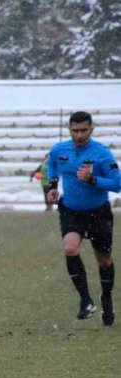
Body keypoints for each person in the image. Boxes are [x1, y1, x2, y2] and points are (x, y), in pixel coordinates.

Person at [45, 110, 120, 326]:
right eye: (75, 130)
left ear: (91, 129)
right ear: (69, 130)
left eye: (84, 130)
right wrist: (52, 187)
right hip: (71, 210)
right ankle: (86, 300)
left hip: (98, 212)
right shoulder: (59, 150)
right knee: (70, 248)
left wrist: (93, 179)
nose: (79, 135)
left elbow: (117, 183)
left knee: (104, 259)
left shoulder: (102, 153)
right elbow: (52, 167)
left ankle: (106, 297)